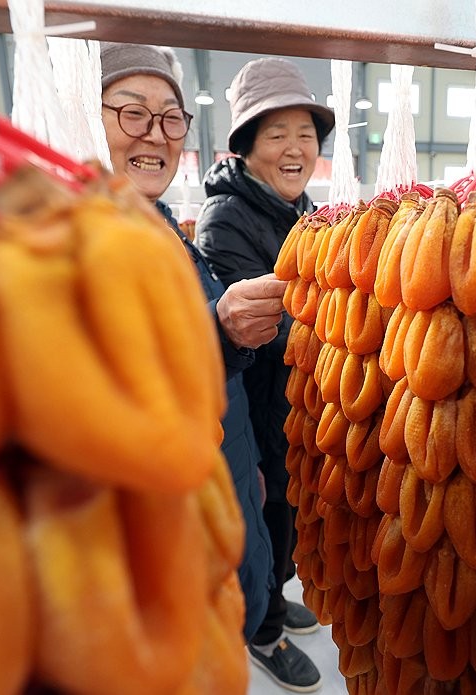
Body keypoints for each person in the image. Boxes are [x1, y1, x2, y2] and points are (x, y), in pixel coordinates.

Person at [99, 42, 286, 643]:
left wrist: (248, 458)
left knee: (238, 611)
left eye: (170, 117)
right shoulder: (76, 246)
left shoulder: (165, 233)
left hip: (225, 485)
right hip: (169, 538)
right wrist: (222, 327)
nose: (155, 135)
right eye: (132, 112)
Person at [196, 57, 334, 693]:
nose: (295, 148)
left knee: (290, 516)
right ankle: (266, 632)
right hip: (257, 407)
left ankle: (278, 595)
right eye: (276, 134)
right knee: (268, 515)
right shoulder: (227, 218)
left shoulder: (301, 209)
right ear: (247, 148)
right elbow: (271, 327)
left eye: (305, 134)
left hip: (295, 406)